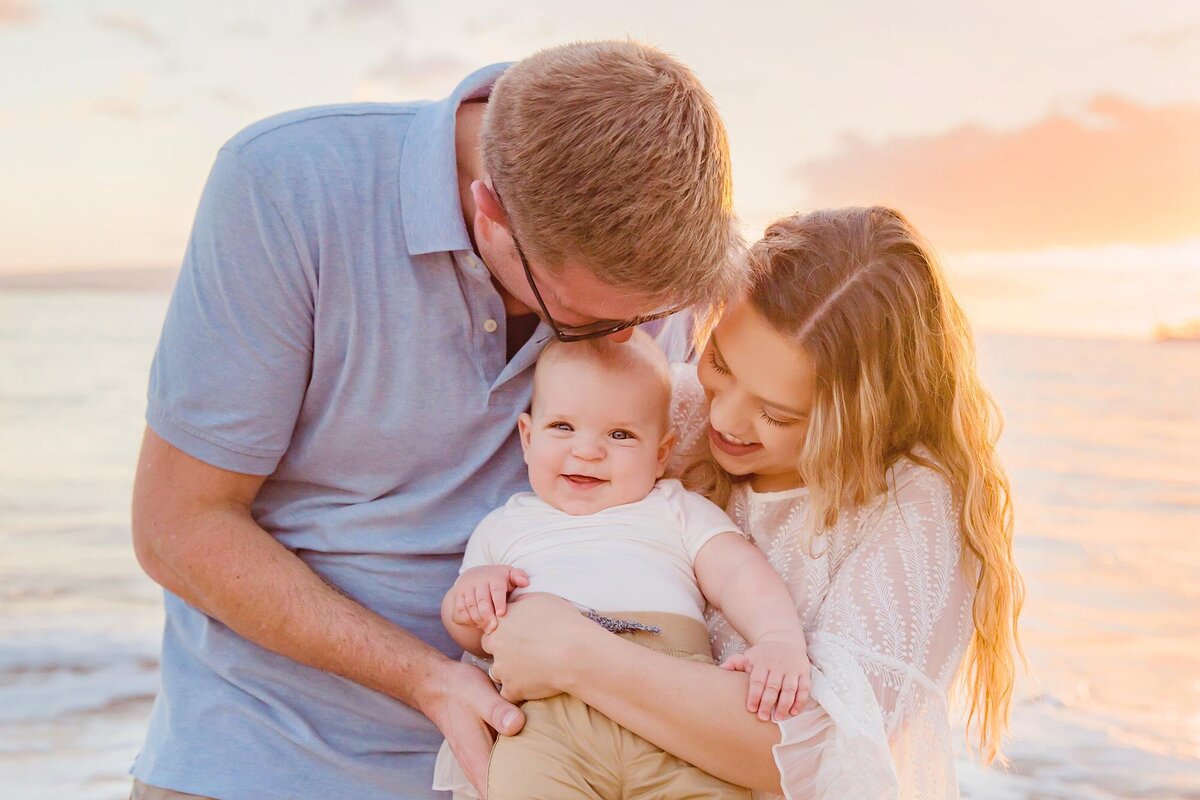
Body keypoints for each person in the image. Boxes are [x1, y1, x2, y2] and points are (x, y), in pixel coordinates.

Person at [128, 41, 746, 800]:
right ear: (489, 211)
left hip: (549, 766)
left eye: (647, 318)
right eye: (582, 323)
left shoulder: (644, 269)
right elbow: (177, 526)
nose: (629, 339)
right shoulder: (283, 183)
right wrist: (428, 681)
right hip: (263, 758)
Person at [481, 206, 1026, 799]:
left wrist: (575, 655)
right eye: (718, 362)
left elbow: (818, 753)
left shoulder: (912, 508)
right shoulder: (672, 411)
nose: (724, 417)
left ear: (864, 421)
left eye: (779, 414)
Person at [432, 332, 810, 799]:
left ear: (660, 454)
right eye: (563, 428)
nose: (588, 450)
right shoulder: (504, 526)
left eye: (620, 435)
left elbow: (738, 573)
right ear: (528, 438)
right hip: (549, 723)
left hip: (675, 709)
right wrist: (474, 596)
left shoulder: (675, 508)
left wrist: (778, 639)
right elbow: (472, 636)